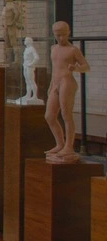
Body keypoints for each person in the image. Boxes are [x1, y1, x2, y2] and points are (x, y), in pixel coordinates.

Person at [44, 21, 91, 163]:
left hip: (67, 82)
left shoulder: (73, 50)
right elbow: (55, 68)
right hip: (55, 83)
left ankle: (69, 147)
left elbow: (86, 67)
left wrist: (76, 68)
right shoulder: (53, 48)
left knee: (66, 114)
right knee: (49, 116)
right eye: (58, 35)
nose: (61, 38)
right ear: (54, 34)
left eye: (64, 35)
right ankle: (60, 143)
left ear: (69, 33)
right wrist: (51, 85)